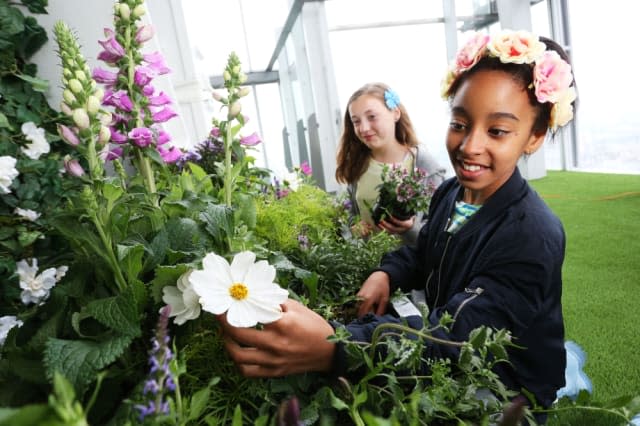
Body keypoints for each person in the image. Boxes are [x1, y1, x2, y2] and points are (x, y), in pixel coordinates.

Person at [220, 30, 577, 422]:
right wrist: (385, 272)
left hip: (500, 385)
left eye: (497, 131)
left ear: (535, 136)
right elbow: (423, 252)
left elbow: (459, 337)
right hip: (443, 342)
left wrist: (335, 348)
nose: (470, 146)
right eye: (459, 123)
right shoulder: (450, 194)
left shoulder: (532, 234)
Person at [335, 82, 445, 243]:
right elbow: (352, 213)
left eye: (372, 117)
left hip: (411, 266)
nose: (364, 128)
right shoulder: (357, 165)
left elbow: (440, 232)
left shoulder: (423, 165)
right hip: (369, 265)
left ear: (395, 113)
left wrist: (410, 229)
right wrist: (355, 226)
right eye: (356, 121)